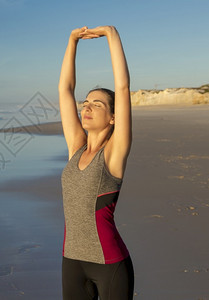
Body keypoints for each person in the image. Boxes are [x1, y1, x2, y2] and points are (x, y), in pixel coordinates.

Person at [58, 26, 134, 299]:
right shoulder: (76, 148)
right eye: (86, 102)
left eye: (98, 104)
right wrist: (72, 41)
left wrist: (112, 35)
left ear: (113, 117)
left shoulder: (113, 153)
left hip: (110, 264)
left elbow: (123, 88)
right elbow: (65, 90)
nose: (87, 107)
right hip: (72, 261)